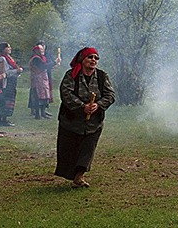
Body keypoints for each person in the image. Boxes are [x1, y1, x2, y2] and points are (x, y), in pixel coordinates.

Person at [55, 47, 115, 188]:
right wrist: (83, 106)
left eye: (96, 58)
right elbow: (66, 94)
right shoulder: (71, 75)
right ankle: (71, 173)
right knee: (69, 149)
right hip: (71, 120)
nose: (93, 60)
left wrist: (98, 105)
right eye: (90, 57)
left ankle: (79, 176)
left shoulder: (102, 76)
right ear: (82, 60)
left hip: (93, 122)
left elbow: (110, 95)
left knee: (88, 148)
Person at [28, 44, 60, 119]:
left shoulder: (41, 58)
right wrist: (54, 62)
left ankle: (43, 113)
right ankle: (37, 114)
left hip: (43, 80)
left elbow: (46, 66)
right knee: (37, 97)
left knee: (44, 96)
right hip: (37, 80)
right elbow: (43, 66)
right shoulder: (36, 58)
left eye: (42, 49)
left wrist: (53, 65)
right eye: (40, 50)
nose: (42, 51)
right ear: (36, 51)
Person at [0, 42, 23, 126]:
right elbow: (4, 73)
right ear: (3, 49)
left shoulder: (9, 58)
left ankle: (5, 118)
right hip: (6, 83)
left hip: (11, 83)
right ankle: (1, 119)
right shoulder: (2, 59)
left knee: (9, 101)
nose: (10, 49)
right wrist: (16, 71)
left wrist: (18, 71)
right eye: (8, 47)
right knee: (4, 100)